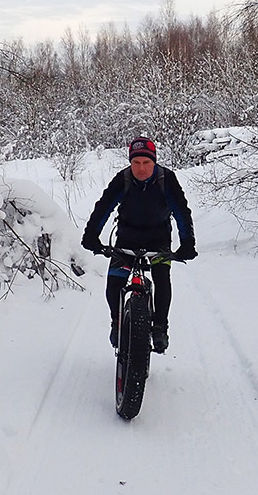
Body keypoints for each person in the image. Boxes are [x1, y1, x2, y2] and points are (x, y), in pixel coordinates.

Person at [81, 137, 196, 353]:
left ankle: (160, 328)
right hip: (127, 239)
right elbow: (103, 207)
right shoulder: (123, 179)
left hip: (158, 240)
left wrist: (187, 242)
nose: (141, 168)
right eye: (136, 163)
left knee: (162, 278)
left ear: (154, 162)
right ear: (130, 162)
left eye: (146, 162)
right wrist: (91, 235)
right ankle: (117, 322)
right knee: (114, 283)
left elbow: (181, 211)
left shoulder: (166, 179)